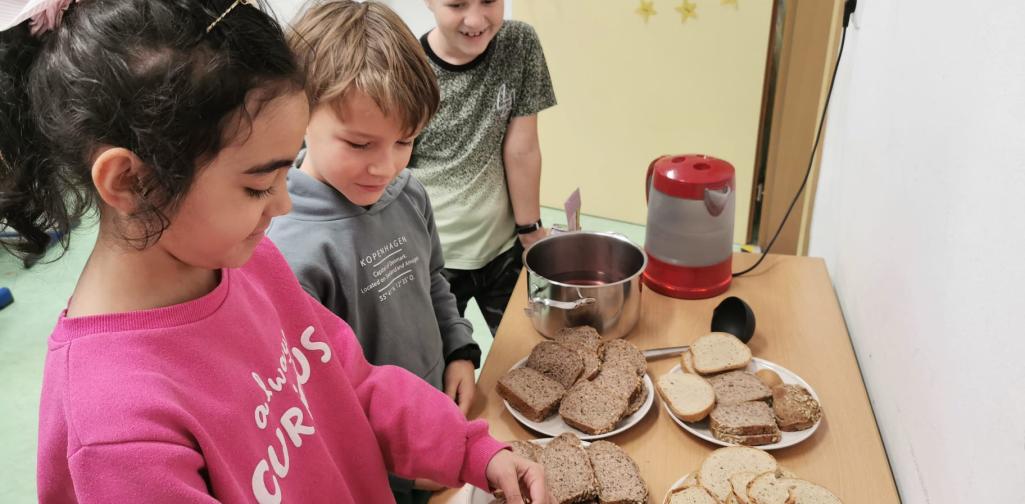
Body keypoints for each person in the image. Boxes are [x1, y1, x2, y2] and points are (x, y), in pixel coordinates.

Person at [0, 0, 548, 502]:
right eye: (258, 185)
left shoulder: (251, 263)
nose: (285, 205)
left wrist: (472, 450)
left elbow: (352, 383)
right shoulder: (116, 431)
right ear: (131, 182)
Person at [266, 2, 479, 501]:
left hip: (440, 418)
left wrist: (460, 352)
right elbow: (322, 401)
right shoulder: (288, 252)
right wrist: (416, 455)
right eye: (359, 144)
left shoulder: (408, 193)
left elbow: (433, 282)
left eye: (404, 141)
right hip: (378, 465)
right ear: (299, 114)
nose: (384, 168)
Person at [410, 0, 556, 335]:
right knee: (446, 370)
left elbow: (522, 147)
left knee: (532, 355)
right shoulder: (410, 69)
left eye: (489, 1)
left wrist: (531, 233)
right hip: (433, 261)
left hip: (505, 247)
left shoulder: (519, 43)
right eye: (457, 4)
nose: (476, 19)